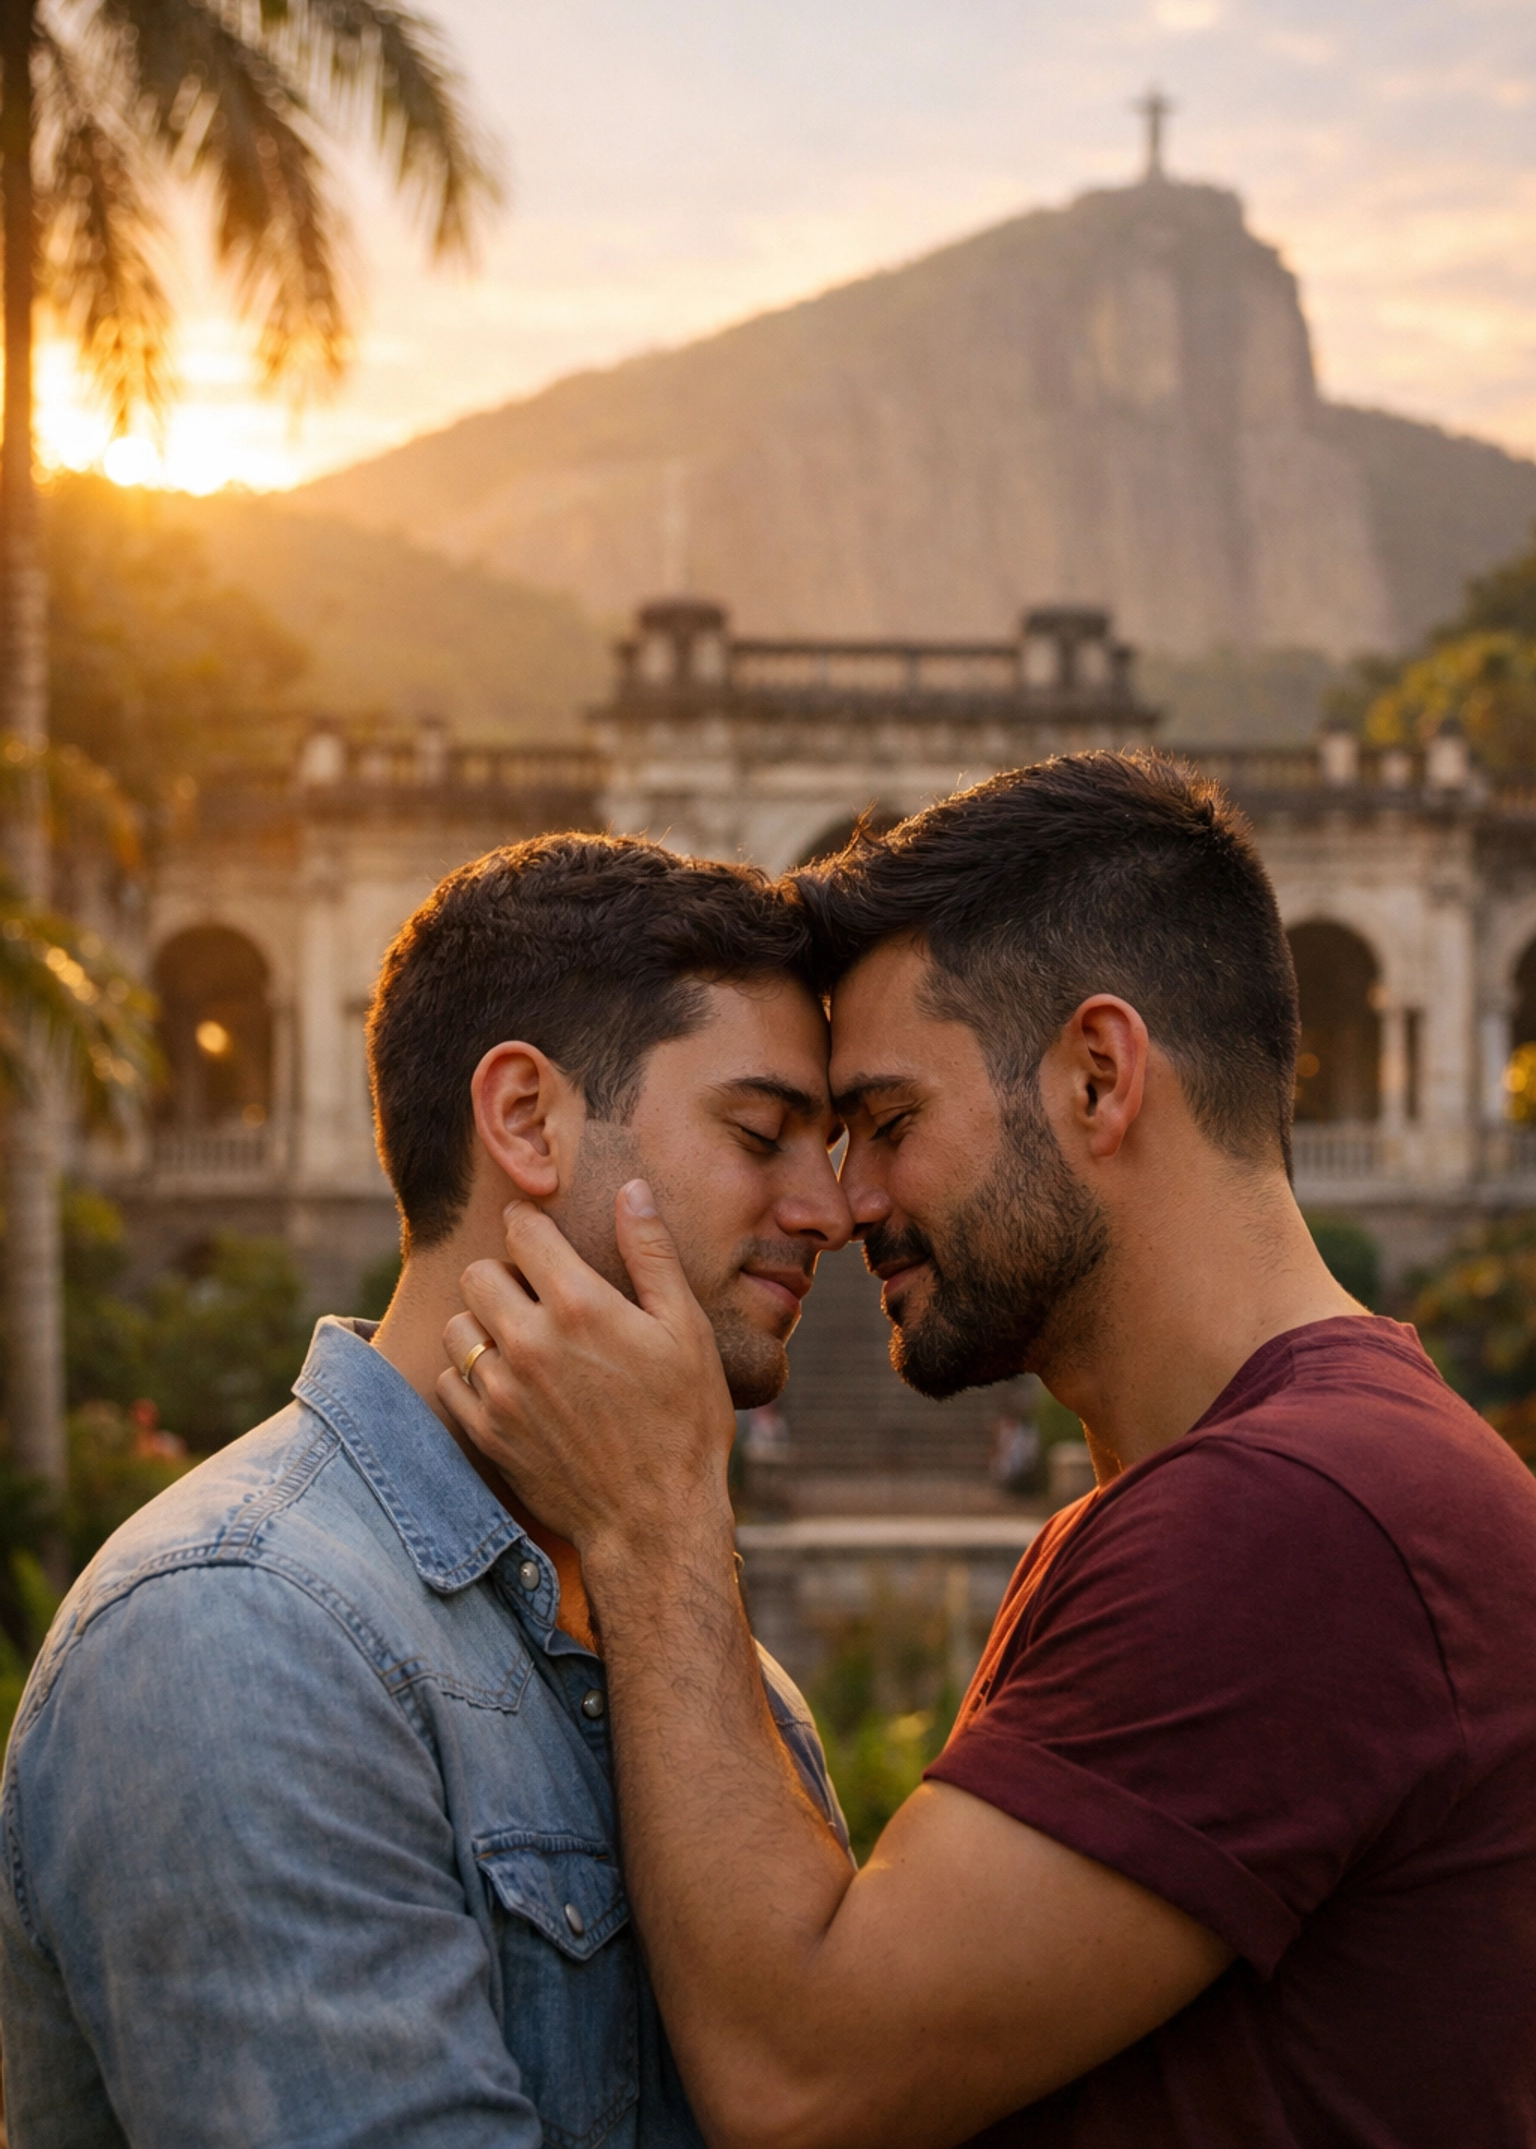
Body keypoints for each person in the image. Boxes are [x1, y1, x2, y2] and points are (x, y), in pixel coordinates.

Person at [443, 753, 1536, 2149]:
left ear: (1098, 1078)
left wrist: (654, 1514)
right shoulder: (1282, 1478)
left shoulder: (1293, 1517)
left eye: (889, 1123)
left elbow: (803, 2079)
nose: (844, 1201)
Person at [0, 834, 853, 2149]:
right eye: (761, 1134)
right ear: (525, 1119)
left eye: (834, 1144)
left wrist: (673, 1528)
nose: (831, 1209)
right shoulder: (237, 1628)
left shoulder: (690, 1641)